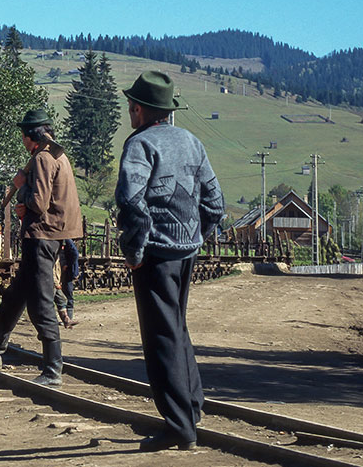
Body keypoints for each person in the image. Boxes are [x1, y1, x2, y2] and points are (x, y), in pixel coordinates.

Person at [115, 71, 225, 452]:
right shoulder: (192, 142)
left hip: (156, 253)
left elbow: (132, 203)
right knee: (177, 327)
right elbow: (215, 203)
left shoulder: (140, 145)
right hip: (186, 252)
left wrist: (134, 252)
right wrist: (196, 237)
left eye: (132, 105)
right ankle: (192, 407)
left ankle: (178, 427)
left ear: (141, 109)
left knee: (160, 337)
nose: (129, 110)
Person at [0, 109, 83, 386]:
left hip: (41, 236)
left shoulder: (43, 158)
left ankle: (53, 369)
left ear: (31, 137)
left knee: (41, 300)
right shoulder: (57, 154)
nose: (22, 141)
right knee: (13, 296)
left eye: (23, 136)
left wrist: (22, 192)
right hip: (49, 234)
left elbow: (39, 203)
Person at [53, 238, 80, 327]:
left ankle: (67, 320)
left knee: (63, 299)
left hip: (58, 279)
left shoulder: (65, 243)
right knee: (50, 301)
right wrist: (56, 283)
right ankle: (49, 322)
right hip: (53, 281)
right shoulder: (53, 254)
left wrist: (68, 265)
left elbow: (75, 254)